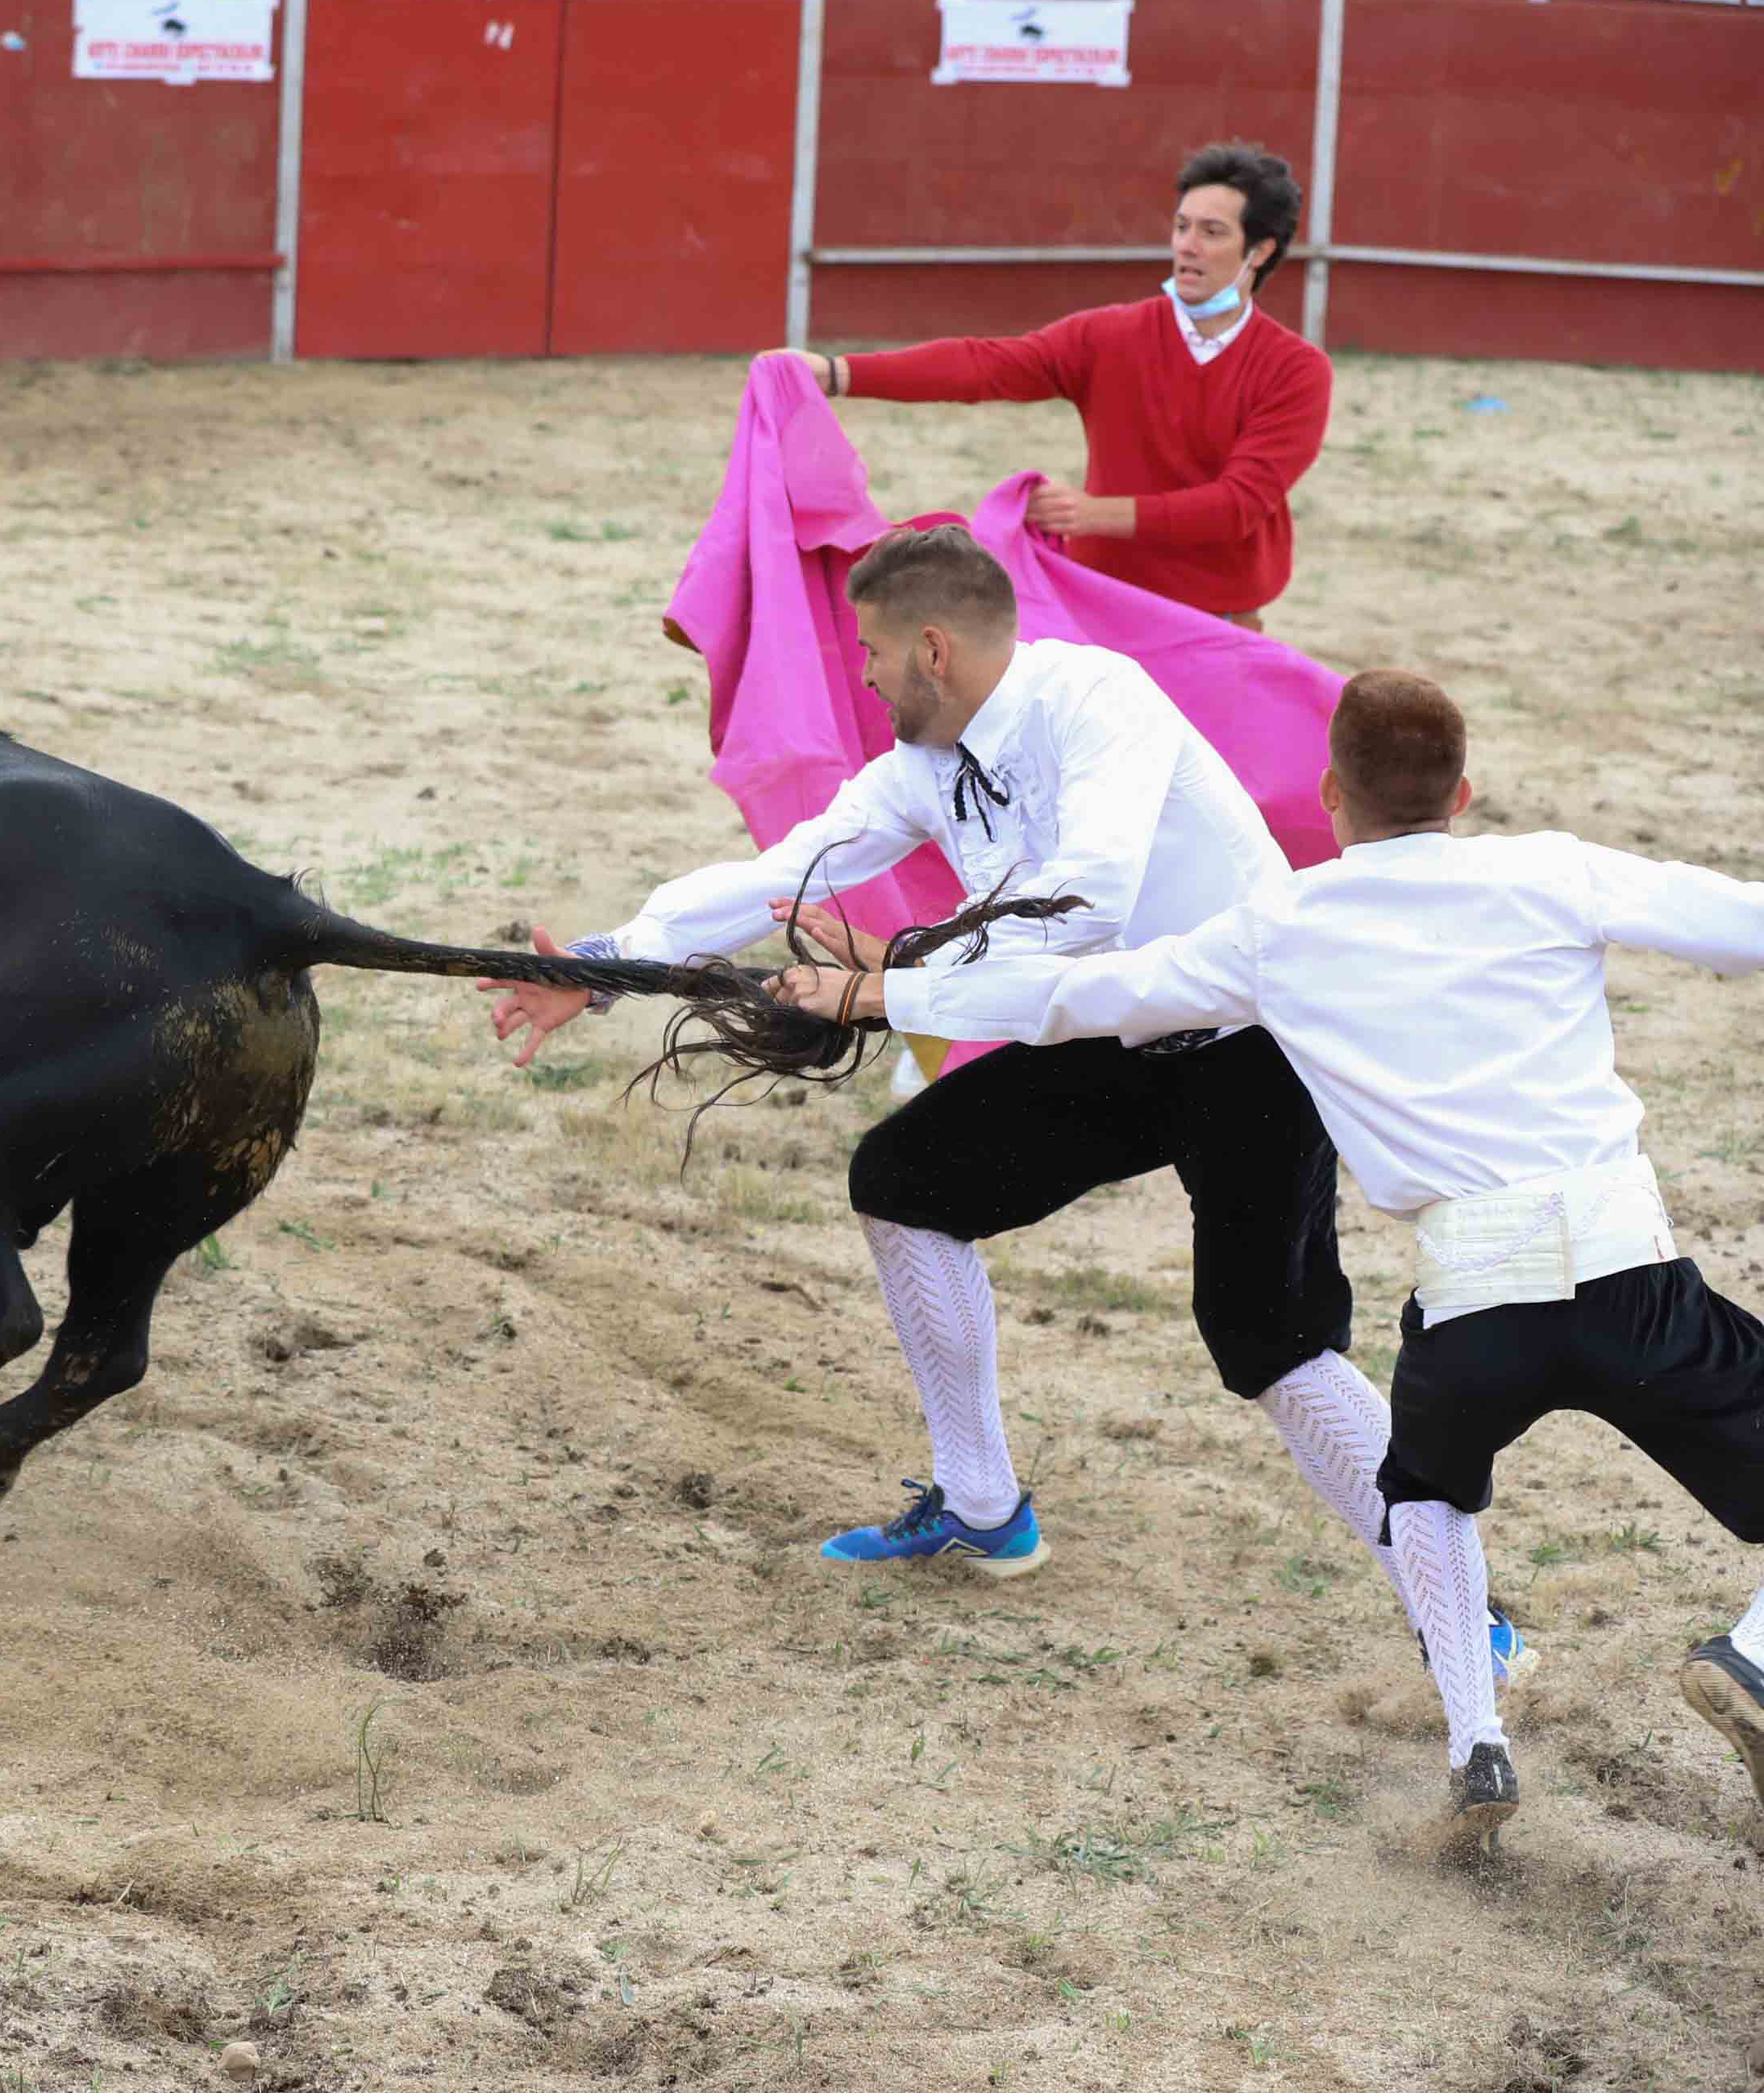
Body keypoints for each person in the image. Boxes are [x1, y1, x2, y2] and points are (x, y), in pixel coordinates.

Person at [481, 526, 1507, 1683]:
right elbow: (794, 864)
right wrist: (610, 966)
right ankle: (979, 1503)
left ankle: (1465, 1613)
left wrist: (885, 984)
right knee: (904, 1185)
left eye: (871, 652)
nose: (862, 676)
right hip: (1099, 1031)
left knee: (1273, 1342)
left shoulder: (1096, 700)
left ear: (933, 650)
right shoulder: (925, 762)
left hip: (1248, 1037)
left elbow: (1088, 903)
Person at [810, 670, 1764, 1845]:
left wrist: (877, 988)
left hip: (1472, 1303)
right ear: (1465, 793)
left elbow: (1080, 995)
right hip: (1631, 1269)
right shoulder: (1553, 868)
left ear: (1328, 798)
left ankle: (1478, 1740)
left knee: (1425, 1490)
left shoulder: (1279, 928)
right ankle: (1752, 1661)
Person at [762, 139, 1331, 629]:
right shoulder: (1110, 335)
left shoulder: (1295, 370)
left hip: (1215, 623)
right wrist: (838, 374)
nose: (1186, 245)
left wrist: (1095, 515)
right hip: (1099, 605)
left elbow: (1236, 506)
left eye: (1211, 232)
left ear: (1259, 250)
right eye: (1182, 226)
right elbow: (986, 365)